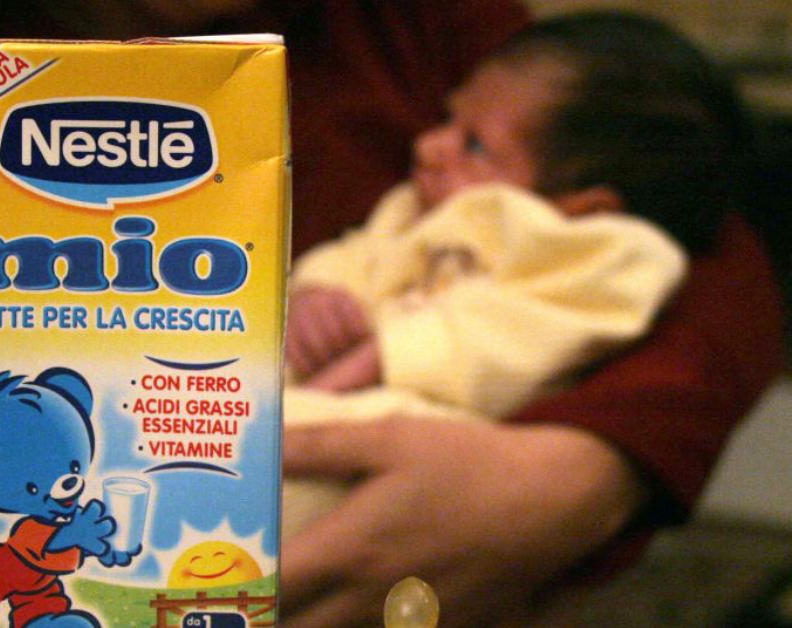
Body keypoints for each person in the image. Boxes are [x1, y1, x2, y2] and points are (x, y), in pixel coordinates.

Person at [0, 2, 786, 627]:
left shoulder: (416, 24)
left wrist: (583, 475)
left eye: (467, 144)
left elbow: (701, 249)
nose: (432, 150)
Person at [280, 13, 786, 626]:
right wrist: (318, 291)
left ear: (586, 206)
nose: (426, 145)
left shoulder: (601, 254)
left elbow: (535, 327)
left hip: (422, 438)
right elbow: (354, 253)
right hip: (306, 406)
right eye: (445, 117)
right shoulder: (412, 208)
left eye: (473, 144)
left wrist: (400, 349)